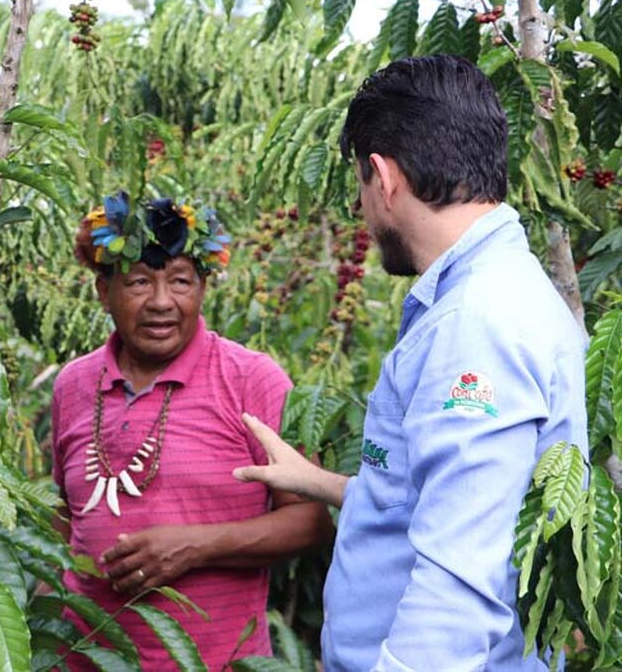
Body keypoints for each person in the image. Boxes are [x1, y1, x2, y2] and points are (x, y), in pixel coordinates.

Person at [234, 54, 589, 671]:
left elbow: (458, 592)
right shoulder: (494, 293)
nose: (363, 210)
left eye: (360, 188)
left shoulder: (476, 325)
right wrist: (320, 483)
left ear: (384, 176)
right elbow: (463, 499)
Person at [51, 192, 332, 669]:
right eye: (139, 282)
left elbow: (311, 521)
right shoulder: (73, 386)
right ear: (103, 291)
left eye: (180, 281)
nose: (162, 302)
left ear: (203, 287)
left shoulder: (252, 381)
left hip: (218, 660)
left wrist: (196, 546)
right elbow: (66, 517)